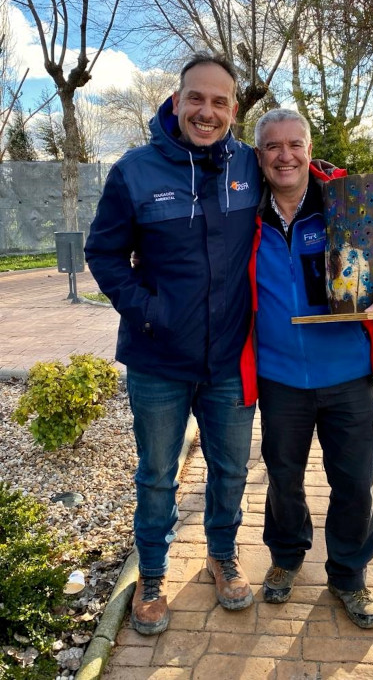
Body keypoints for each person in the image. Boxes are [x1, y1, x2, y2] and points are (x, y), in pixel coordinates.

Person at [85, 53, 262, 636]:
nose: (206, 112)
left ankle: (221, 554)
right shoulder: (135, 172)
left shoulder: (251, 165)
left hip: (230, 359)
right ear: (177, 100)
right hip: (158, 359)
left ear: (233, 110)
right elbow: (103, 254)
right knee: (158, 473)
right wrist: (147, 312)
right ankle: (154, 574)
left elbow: (304, 185)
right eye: (196, 99)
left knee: (231, 469)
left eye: (219, 102)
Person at [252, 109, 373, 629]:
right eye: (272, 147)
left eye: (295, 144)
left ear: (310, 149)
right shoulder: (243, 212)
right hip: (280, 378)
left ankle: (349, 576)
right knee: (284, 479)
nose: (285, 156)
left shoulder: (348, 202)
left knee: (352, 482)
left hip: (347, 375)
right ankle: (287, 557)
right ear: (259, 155)